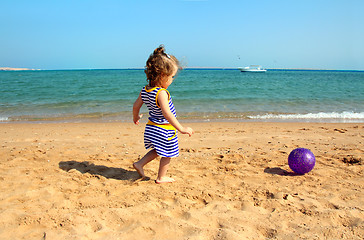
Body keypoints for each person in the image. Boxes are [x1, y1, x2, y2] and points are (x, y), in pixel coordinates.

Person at [132, 45, 194, 184]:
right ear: (162, 76)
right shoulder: (161, 93)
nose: (172, 80)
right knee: (168, 154)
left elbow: (136, 106)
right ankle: (161, 177)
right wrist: (181, 128)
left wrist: (135, 117)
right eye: (171, 76)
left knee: (157, 150)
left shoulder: (145, 90)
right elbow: (167, 113)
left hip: (151, 128)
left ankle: (140, 164)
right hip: (164, 130)